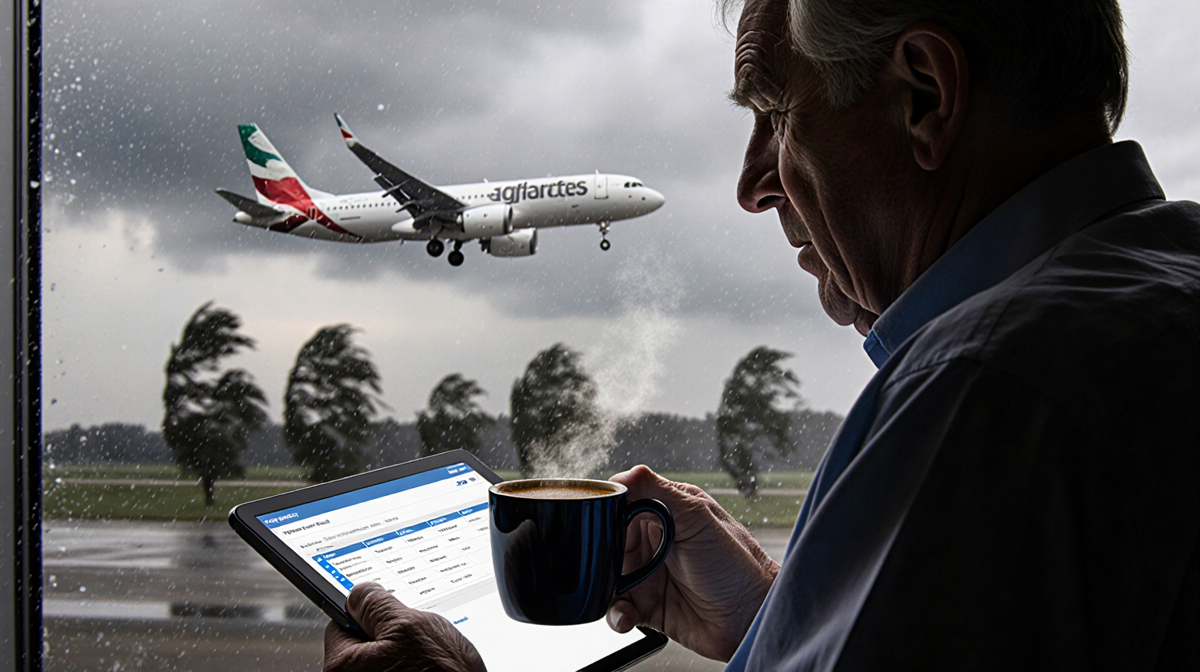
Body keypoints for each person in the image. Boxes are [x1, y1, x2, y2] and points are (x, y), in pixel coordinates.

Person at [324, 0, 1200, 669]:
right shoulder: (1151, 295)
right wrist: (781, 619)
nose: (751, 185)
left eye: (776, 115)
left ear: (926, 97)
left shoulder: (988, 394)